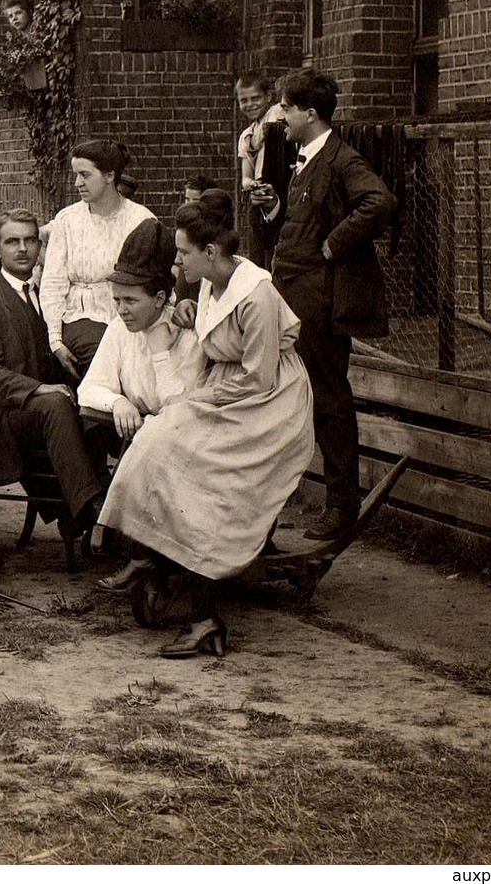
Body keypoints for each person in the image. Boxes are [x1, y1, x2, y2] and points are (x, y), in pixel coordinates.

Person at [95, 191, 315, 657]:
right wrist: (189, 315)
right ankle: (145, 552)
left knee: (197, 475)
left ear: (209, 253)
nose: (176, 264)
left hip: (271, 406)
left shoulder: (257, 295)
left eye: (182, 253)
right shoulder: (210, 285)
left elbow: (259, 376)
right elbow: (215, 335)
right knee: (157, 439)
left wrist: (197, 399)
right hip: (232, 394)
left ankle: (199, 610)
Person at [250, 69, 397, 541]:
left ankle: (341, 507)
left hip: (322, 304)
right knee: (302, 397)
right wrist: (275, 207)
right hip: (296, 297)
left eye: (287, 109)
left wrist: (336, 244)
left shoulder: (341, 158)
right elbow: (303, 223)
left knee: (330, 400)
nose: (280, 117)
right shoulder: (303, 158)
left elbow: (379, 202)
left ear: (309, 114)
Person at [0, 209, 104, 547]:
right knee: (55, 402)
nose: (22, 249)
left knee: (93, 404)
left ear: (40, 246)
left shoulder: (49, 297)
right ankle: (89, 505)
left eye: (30, 240)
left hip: (37, 415)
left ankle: (94, 506)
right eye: (12, 242)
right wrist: (40, 389)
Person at [76, 219, 206, 441]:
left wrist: (160, 354)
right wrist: (118, 402)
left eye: (130, 301)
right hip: (138, 437)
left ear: (159, 298)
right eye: (117, 300)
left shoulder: (187, 333)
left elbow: (179, 411)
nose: (121, 310)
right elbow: (88, 389)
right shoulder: (121, 328)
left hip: (180, 439)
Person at [39, 140, 156, 379]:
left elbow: (157, 278)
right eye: (76, 175)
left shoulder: (141, 219)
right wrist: (55, 340)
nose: (77, 183)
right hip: (82, 319)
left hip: (132, 320)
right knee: (105, 361)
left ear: (109, 176)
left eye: (85, 175)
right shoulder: (67, 220)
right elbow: (52, 284)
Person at [233, 73, 295, 265]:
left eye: (255, 98)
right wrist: (250, 184)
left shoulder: (277, 112)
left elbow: (280, 118)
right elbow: (245, 176)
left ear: (268, 97)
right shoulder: (245, 137)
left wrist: (261, 135)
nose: (250, 104)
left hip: (282, 189)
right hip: (260, 197)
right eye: (244, 100)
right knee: (259, 251)